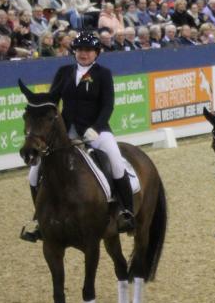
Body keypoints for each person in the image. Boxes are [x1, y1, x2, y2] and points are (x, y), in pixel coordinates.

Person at [20, 30, 135, 241]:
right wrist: (35, 103)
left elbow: (108, 105)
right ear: (75, 52)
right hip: (66, 131)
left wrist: (97, 127)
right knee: (34, 174)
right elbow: (52, 99)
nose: (84, 54)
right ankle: (40, 219)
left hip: (96, 130)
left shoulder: (103, 74)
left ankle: (126, 211)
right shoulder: (64, 71)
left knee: (117, 163)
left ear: (96, 53)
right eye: (80, 50)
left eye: (89, 50)